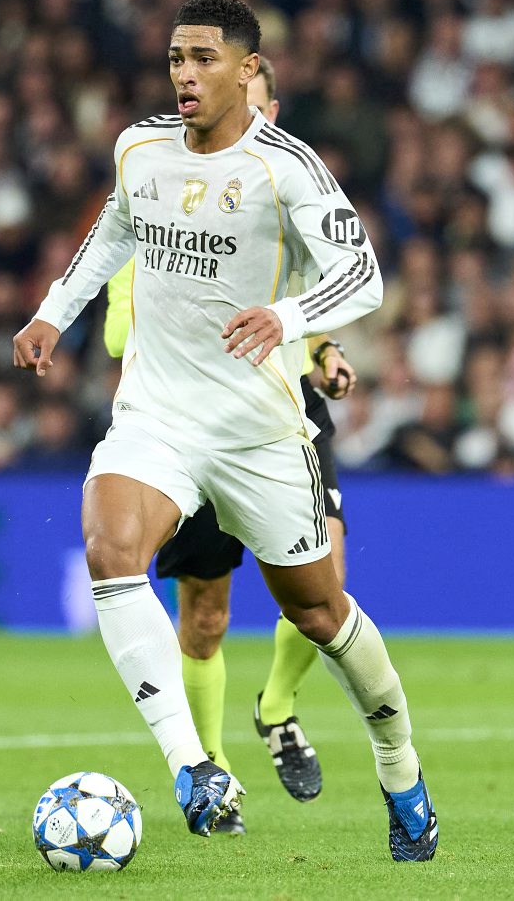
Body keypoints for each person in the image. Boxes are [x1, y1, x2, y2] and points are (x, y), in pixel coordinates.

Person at [14, 0, 438, 861]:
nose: (184, 74)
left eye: (203, 58)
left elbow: (362, 276)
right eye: (176, 57)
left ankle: (399, 768)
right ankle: (194, 767)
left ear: (248, 71)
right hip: (157, 415)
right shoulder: (141, 148)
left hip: (256, 432)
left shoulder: (288, 167)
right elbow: (113, 232)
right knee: (109, 548)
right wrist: (54, 311)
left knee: (318, 613)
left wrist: (288, 318)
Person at [102, 56, 357, 837]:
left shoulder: (288, 196)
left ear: (269, 111)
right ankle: (211, 775)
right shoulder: (160, 207)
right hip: (188, 420)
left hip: (283, 414)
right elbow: (116, 330)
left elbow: (313, 295)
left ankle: (276, 707)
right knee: (205, 616)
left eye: (256, 105)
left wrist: (324, 352)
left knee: (325, 584)